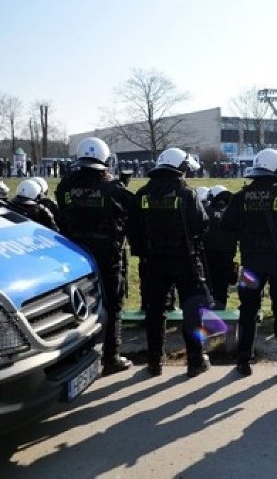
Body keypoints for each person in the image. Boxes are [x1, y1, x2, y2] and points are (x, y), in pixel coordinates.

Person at [221, 148, 277, 379]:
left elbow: (226, 225)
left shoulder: (241, 196)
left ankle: (243, 361)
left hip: (250, 264)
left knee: (248, 310)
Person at [55, 137, 135, 375]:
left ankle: (75, 355)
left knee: (76, 305)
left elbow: (62, 216)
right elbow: (132, 215)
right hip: (107, 255)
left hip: (76, 255)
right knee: (113, 304)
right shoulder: (113, 187)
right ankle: (111, 356)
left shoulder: (65, 185)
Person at [131, 148, 212, 377]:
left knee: (155, 312)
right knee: (192, 312)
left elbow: (133, 229)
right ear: (181, 168)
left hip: (153, 263)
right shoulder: (187, 193)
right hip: (185, 262)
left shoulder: (143, 194)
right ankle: (195, 362)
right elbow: (201, 225)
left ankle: (154, 362)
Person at [203, 184, 238, 310]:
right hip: (227, 256)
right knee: (222, 287)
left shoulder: (205, 210)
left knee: (206, 285)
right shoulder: (233, 213)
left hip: (206, 255)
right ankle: (220, 311)